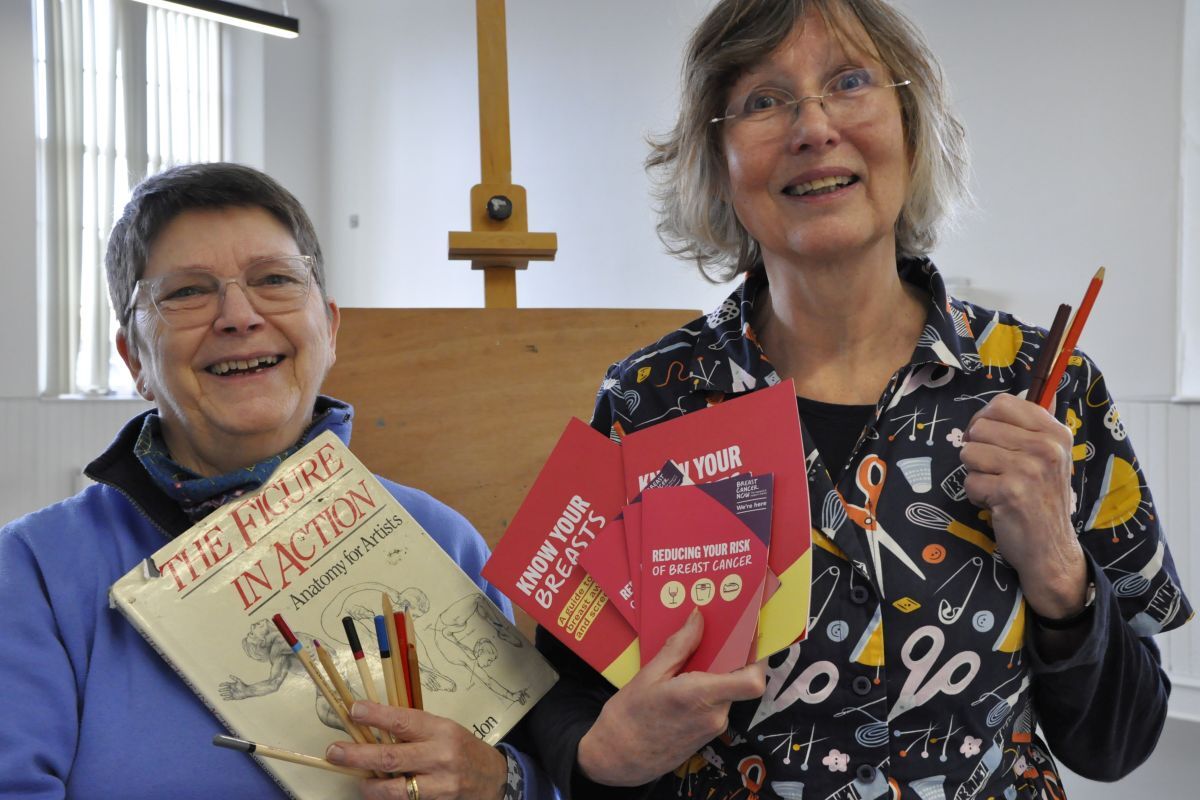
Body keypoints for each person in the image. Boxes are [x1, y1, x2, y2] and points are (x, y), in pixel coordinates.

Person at [523, 1, 1193, 798]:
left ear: (912, 127)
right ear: (718, 159)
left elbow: (1119, 743)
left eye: (848, 82)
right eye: (764, 100)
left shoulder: (1048, 391)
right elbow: (557, 688)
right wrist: (600, 756)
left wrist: (1058, 569)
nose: (813, 127)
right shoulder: (647, 400)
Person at [0, 163, 555, 800]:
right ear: (134, 358)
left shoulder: (439, 539)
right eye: (187, 292)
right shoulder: (36, 570)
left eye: (275, 280)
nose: (239, 315)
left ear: (330, 327)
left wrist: (498, 782)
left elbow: (542, 775)